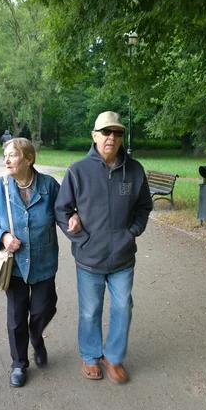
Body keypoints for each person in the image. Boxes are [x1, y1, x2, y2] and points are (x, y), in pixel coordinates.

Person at [54, 111, 153, 384]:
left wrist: (132, 231)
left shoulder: (134, 170)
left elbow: (145, 206)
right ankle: (90, 356)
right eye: (106, 132)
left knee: (123, 308)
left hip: (122, 257)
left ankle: (114, 357)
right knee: (90, 310)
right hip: (89, 257)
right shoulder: (78, 171)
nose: (112, 137)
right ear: (94, 135)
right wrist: (80, 237)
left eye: (117, 133)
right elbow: (61, 210)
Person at [0, 138, 60, 388]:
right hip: (13, 267)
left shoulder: (49, 186)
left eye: (12, 155)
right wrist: (2, 236)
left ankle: (36, 337)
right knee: (16, 318)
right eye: (5, 155)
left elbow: (64, 216)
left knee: (43, 309)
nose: (6, 160)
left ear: (28, 159)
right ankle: (19, 363)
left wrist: (81, 234)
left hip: (44, 263)